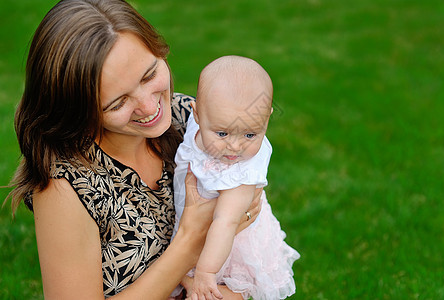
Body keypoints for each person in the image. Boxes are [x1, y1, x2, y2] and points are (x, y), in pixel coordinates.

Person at [6, 0, 262, 298]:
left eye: (149, 75)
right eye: (118, 102)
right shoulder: (67, 185)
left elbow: (250, 219)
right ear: (81, 111)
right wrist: (190, 242)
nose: (148, 106)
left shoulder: (188, 120)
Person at [172, 55, 300, 300]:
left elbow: (226, 222)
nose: (235, 146)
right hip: (193, 224)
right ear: (196, 114)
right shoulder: (195, 124)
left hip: (225, 245)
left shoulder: (242, 172)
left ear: (267, 118)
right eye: (222, 133)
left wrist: (206, 273)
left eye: (250, 135)